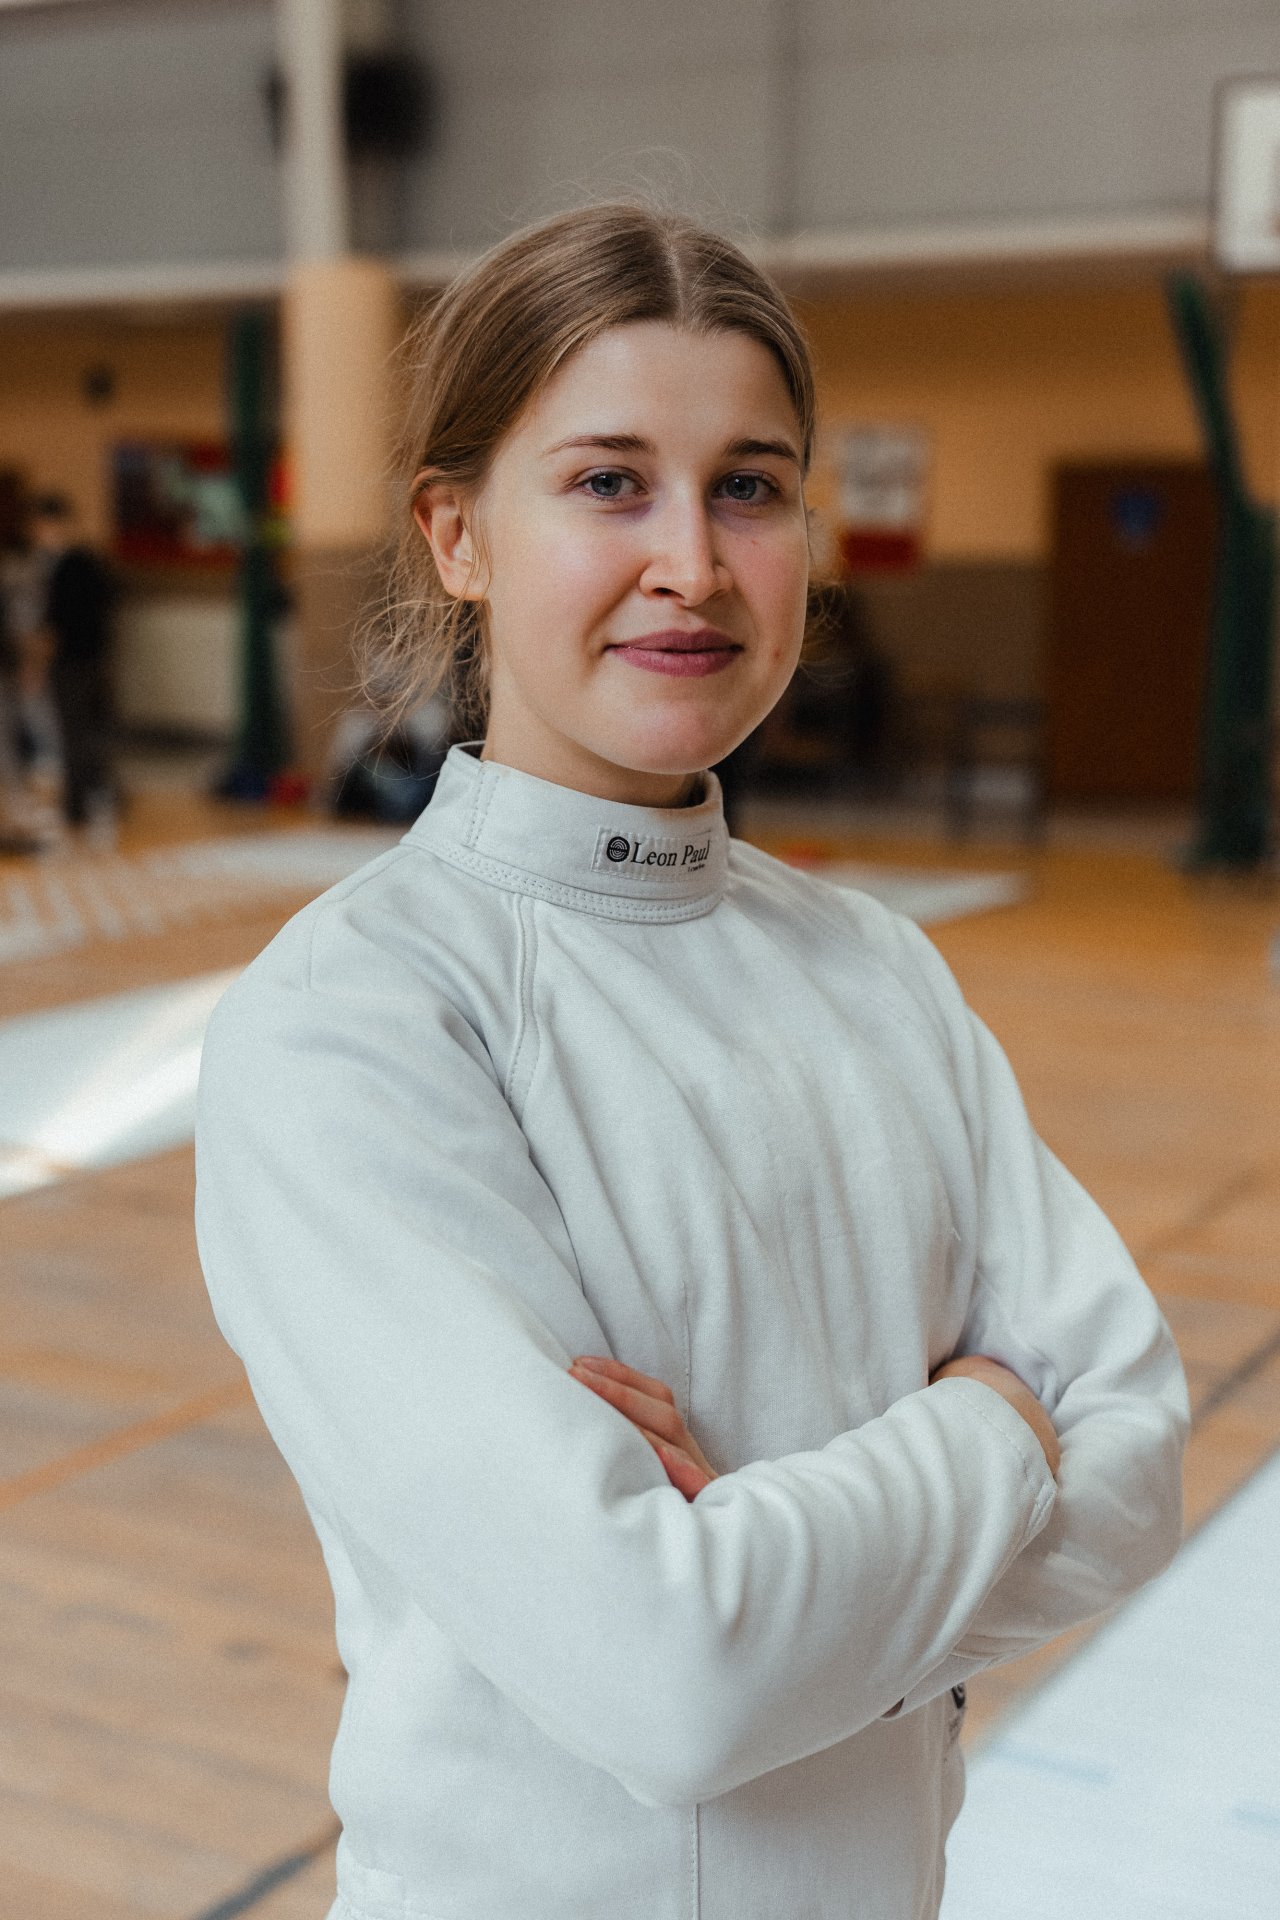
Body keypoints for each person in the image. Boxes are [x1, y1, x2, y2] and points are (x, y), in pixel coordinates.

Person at [194, 203, 1188, 1920]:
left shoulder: (878, 970)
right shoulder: (354, 1019)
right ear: (458, 534)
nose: (694, 563)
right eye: (608, 483)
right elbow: (672, 1672)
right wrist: (993, 1419)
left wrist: (765, 1549)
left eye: (749, 487)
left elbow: (1139, 1465)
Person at [29, 491, 120, 833]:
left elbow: (53, 624)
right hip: (95, 659)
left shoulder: (65, 567)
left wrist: (37, 666)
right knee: (93, 732)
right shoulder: (91, 561)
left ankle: (76, 806)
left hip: (71, 661)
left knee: (73, 734)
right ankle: (100, 797)